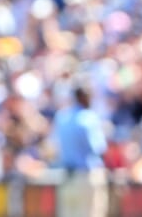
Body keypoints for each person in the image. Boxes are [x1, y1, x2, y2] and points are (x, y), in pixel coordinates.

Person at [51, 84, 109, 217]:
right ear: (84, 97)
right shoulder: (88, 118)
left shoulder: (62, 117)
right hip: (86, 177)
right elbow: (99, 148)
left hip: (66, 177)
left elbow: (54, 147)